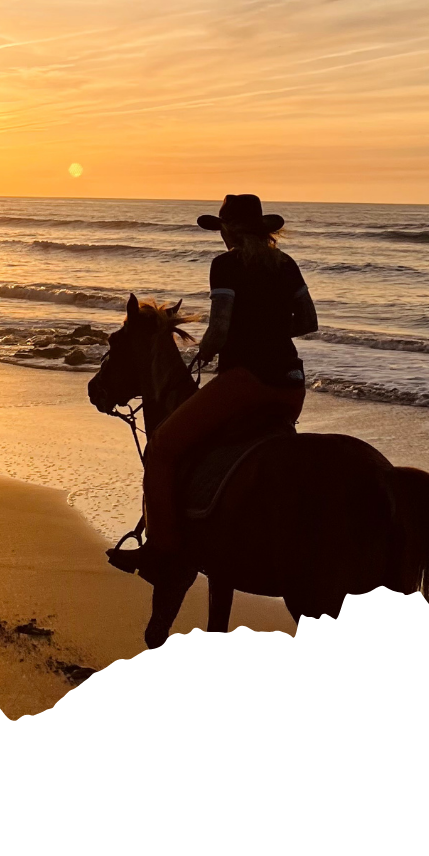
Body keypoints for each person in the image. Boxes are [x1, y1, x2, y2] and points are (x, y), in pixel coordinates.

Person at [111, 192, 317, 592]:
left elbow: (220, 329)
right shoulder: (286, 264)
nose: (221, 236)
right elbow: (308, 321)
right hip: (291, 387)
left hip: (247, 383)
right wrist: (270, 329)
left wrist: (206, 350)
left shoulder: (225, 265)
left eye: (222, 228)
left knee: (164, 447)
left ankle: (162, 548)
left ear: (230, 230)